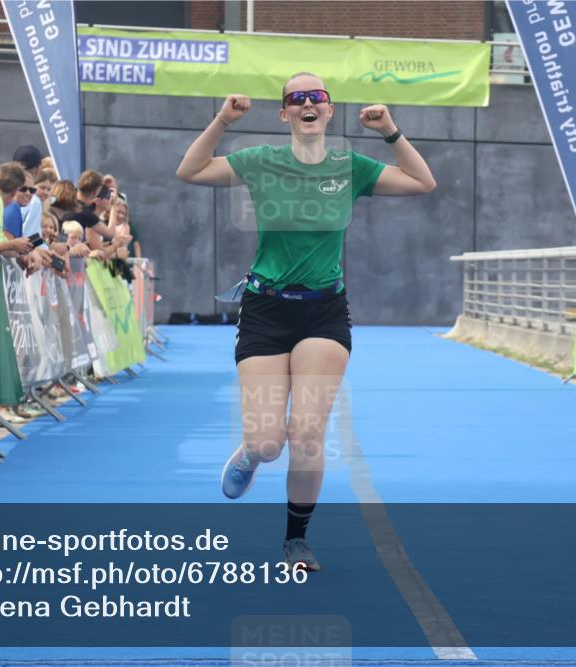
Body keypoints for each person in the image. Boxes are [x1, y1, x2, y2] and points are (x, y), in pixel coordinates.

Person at [176, 73, 436, 571]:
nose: (307, 103)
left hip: (323, 312)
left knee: (308, 432)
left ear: (330, 110)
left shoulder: (350, 167)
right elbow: (190, 170)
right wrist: (223, 120)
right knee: (268, 443)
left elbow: (423, 182)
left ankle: (296, 540)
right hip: (266, 310)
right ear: (285, 114)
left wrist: (390, 131)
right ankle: (250, 453)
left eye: (317, 97)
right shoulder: (261, 161)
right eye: (297, 99)